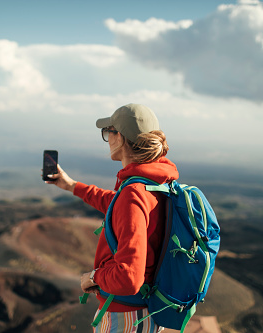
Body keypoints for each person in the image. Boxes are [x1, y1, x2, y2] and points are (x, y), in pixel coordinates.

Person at [45, 103, 179, 333]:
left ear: (121, 138)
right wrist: (71, 186)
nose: (108, 138)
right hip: (147, 313)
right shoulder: (156, 184)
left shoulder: (134, 193)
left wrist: (94, 277)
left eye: (108, 132)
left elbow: (129, 277)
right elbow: (115, 204)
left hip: (126, 318)